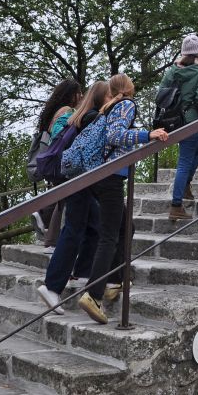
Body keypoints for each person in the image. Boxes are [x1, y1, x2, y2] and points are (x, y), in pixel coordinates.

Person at [78, 74, 168, 324]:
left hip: (102, 176)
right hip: (111, 177)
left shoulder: (108, 108)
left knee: (125, 226)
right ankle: (93, 294)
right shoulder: (126, 105)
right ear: (127, 88)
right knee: (109, 235)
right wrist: (146, 135)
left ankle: (115, 281)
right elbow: (115, 136)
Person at [36, 81, 109, 315]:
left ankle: (82, 272)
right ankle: (52, 286)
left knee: (95, 225)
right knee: (74, 229)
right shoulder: (83, 116)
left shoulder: (76, 115)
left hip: (76, 177)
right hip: (77, 177)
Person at [164, 35, 198, 221]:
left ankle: (185, 185)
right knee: (184, 161)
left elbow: (161, 93)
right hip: (190, 121)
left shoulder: (173, 70)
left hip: (173, 121)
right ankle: (176, 205)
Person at [31, 79, 83, 248]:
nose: (81, 96)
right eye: (78, 93)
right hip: (60, 159)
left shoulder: (52, 112)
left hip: (51, 159)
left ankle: (51, 241)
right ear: (71, 95)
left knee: (63, 198)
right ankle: (42, 213)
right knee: (65, 196)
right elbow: (61, 134)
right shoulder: (66, 111)